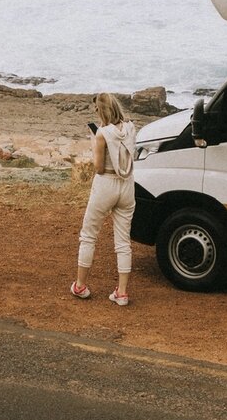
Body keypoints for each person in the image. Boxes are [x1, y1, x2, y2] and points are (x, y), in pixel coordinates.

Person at [71, 92, 136, 305]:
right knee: (123, 241)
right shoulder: (130, 127)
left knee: (89, 235)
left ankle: (80, 286)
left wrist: (95, 141)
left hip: (106, 183)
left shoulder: (101, 133)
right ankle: (122, 292)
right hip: (127, 185)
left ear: (101, 111)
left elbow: (98, 168)